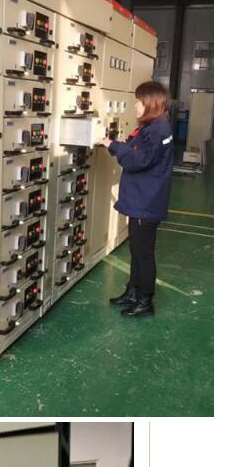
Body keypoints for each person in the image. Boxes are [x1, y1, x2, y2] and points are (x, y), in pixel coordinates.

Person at [99, 81, 173, 318]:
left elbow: (138, 160)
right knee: (136, 250)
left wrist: (113, 145)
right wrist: (120, 144)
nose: (135, 106)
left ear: (150, 103)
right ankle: (133, 291)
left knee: (143, 254)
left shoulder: (158, 130)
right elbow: (136, 149)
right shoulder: (153, 126)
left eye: (138, 102)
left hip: (146, 202)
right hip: (143, 200)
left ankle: (145, 301)